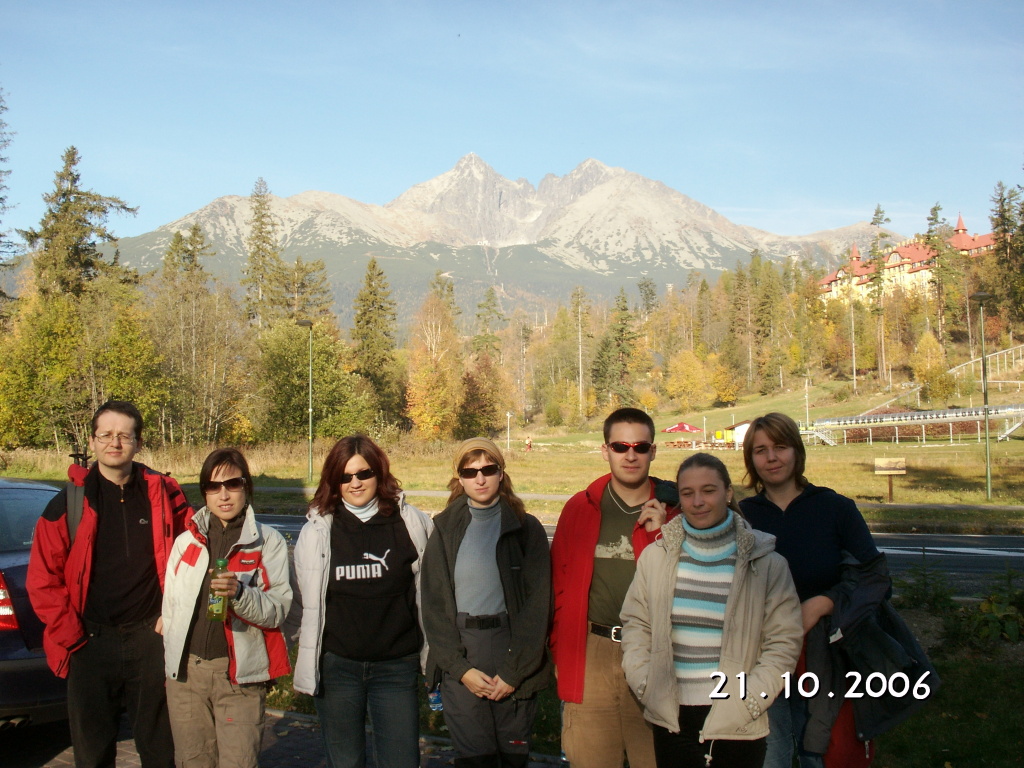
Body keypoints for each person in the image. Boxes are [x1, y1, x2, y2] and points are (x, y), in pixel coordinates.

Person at [27, 400, 192, 768]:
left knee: (160, 750)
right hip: (89, 640)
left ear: (138, 442)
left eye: (124, 435)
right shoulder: (68, 503)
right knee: (93, 753)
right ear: (92, 441)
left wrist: (173, 614)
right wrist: (72, 636)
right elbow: (42, 579)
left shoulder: (165, 496)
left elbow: (194, 556)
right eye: (106, 435)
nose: (114, 442)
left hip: (151, 637)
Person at [620, 453, 803, 768]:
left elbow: (784, 643)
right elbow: (637, 625)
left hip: (737, 720)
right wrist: (646, 686)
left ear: (728, 493)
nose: (697, 502)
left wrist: (750, 701)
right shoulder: (656, 557)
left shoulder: (766, 563)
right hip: (671, 719)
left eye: (708, 490)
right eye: (687, 493)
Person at [739, 413, 881, 768]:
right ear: (750, 459)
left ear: (797, 451)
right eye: (760, 450)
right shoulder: (741, 517)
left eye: (780, 447)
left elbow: (875, 578)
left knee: (822, 752)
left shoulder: (835, 508)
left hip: (825, 655)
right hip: (761, 655)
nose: (772, 457)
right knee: (769, 754)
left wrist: (824, 603)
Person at [292, 435, 433, 768]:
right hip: (338, 669)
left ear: (378, 473)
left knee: (400, 761)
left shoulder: (411, 523)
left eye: (363, 473)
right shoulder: (317, 531)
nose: (355, 483)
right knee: (345, 762)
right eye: (345, 476)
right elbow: (302, 602)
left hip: (395, 668)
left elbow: (430, 593)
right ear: (334, 481)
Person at [549, 407, 675, 768]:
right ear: (605, 450)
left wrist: (664, 532)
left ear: (653, 451)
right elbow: (557, 586)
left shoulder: (675, 510)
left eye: (640, 446)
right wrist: (561, 653)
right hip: (592, 652)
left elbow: (689, 584)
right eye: (620, 446)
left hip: (654, 652)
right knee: (590, 758)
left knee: (655, 759)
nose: (630, 455)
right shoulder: (580, 507)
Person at [421, 437, 551, 768]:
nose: (480, 479)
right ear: (460, 478)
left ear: (501, 473)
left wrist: (513, 673)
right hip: (464, 653)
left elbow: (537, 607)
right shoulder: (445, 530)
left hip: (511, 652)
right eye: (470, 472)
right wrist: (460, 670)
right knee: (476, 760)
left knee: (512, 759)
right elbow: (434, 608)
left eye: (488, 469)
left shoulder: (525, 529)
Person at [162, 448, 293, 768]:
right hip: (187, 677)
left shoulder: (269, 542)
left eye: (233, 484)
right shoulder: (185, 542)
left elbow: (277, 610)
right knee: (192, 762)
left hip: (239, 679)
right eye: (213, 486)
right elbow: (171, 607)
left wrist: (239, 593)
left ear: (246, 487)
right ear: (204, 492)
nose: (223, 495)